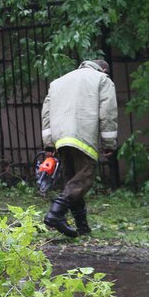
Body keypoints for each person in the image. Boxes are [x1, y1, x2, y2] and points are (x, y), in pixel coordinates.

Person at [41, 59, 117, 237]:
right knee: (84, 178)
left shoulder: (58, 82)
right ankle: (55, 213)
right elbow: (108, 113)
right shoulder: (102, 79)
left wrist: (49, 143)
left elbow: (46, 113)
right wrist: (109, 143)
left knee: (72, 180)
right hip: (83, 135)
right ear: (103, 69)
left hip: (61, 138)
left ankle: (82, 227)